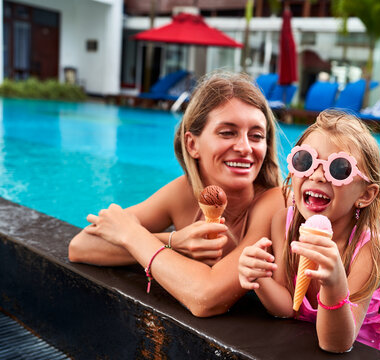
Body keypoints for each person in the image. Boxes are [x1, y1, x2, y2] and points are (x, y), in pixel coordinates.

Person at [69, 71, 284, 317]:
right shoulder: (184, 193)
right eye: (228, 132)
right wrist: (174, 242)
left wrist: (130, 233)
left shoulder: (275, 202)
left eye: (256, 136)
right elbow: (80, 245)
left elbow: (206, 297)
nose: (245, 147)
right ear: (192, 144)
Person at [238, 110, 380, 358]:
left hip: (365, 344)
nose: (317, 175)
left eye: (339, 169)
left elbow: (337, 344)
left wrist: (334, 283)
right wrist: (259, 278)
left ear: (365, 195)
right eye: (305, 161)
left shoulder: (369, 247)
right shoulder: (283, 223)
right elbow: (288, 307)